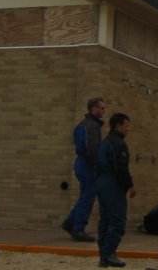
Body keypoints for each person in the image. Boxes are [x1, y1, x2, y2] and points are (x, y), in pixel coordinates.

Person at [61, 97, 106, 242]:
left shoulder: (85, 125)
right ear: (94, 109)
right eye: (102, 108)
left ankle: (71, 222)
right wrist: (98, 165)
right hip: (87, 164)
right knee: (88, 197)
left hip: (83, 163)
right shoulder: (91, 126)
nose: (104, 111)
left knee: (85, 196)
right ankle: (78, 229)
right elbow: (91, 149)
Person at [95, 112, 137, 268]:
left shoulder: (104, 142)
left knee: (105, 219)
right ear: (118, 126)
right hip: (113, 183)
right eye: (126, 126)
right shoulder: (118, 144)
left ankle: (104, 255)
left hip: (101, 181)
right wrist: (129, 185)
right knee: (117, 219)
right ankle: (109, 253)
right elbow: (121, 168)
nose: (128, 129)